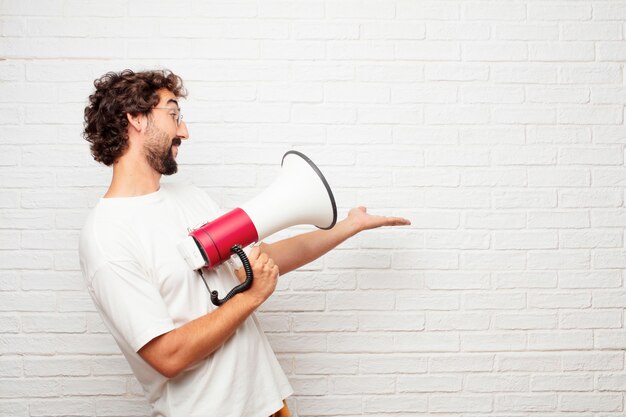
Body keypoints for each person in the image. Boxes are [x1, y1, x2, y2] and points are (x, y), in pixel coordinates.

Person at [79, 69, 411, 417]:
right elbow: (167, 356)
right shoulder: (107, 236)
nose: (184, 131)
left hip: (267, 403)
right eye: (174, 115)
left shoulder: (190, 199)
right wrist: (251, 297)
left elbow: (263, 259)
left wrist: (348, 227)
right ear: (135, 118)